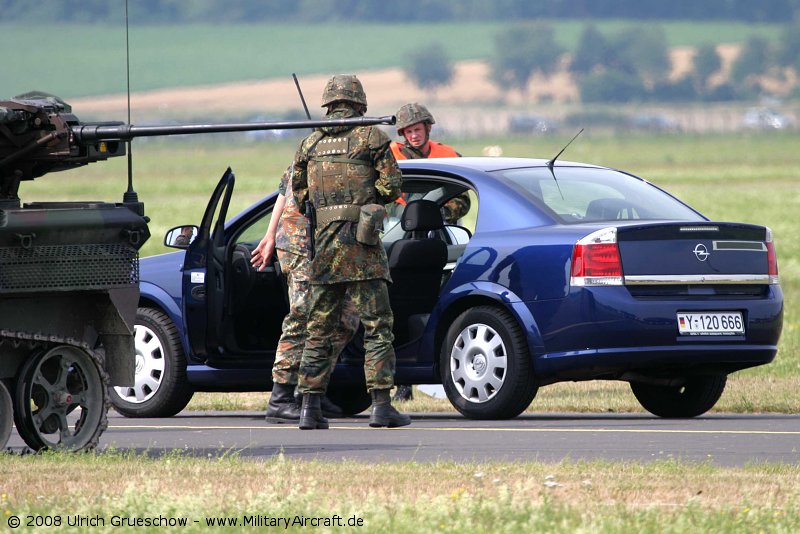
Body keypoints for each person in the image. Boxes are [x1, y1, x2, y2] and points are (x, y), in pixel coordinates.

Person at [292, 74, 410, 430]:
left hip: (325, 251)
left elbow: (299, 197)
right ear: (359, 104)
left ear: (328, 104)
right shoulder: (371, 137)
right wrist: (365, 197)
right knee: (377, 327)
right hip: (363, 250)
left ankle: (309, 409)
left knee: (318, 330)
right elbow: (392, 186)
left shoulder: (309, 145)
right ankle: (381, 406)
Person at [250, 167, 359, 423]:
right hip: (299, 243)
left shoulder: (351, 150)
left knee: (346, 318)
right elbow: (283, 193)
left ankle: (310, 389)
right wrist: (270, 235)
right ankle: (281, 397)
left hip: (329, 244)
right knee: (301, 316)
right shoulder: (310, 148)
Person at [389, 102, 469, 401]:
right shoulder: (388, 158)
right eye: (408, 131)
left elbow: (463, 199)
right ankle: (403, 382)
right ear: (402, 133)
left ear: (428, 128)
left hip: (439, 243)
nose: (413, 135)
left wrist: (438, 210)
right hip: (396, 242)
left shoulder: (449, 156)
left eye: (418, 129)